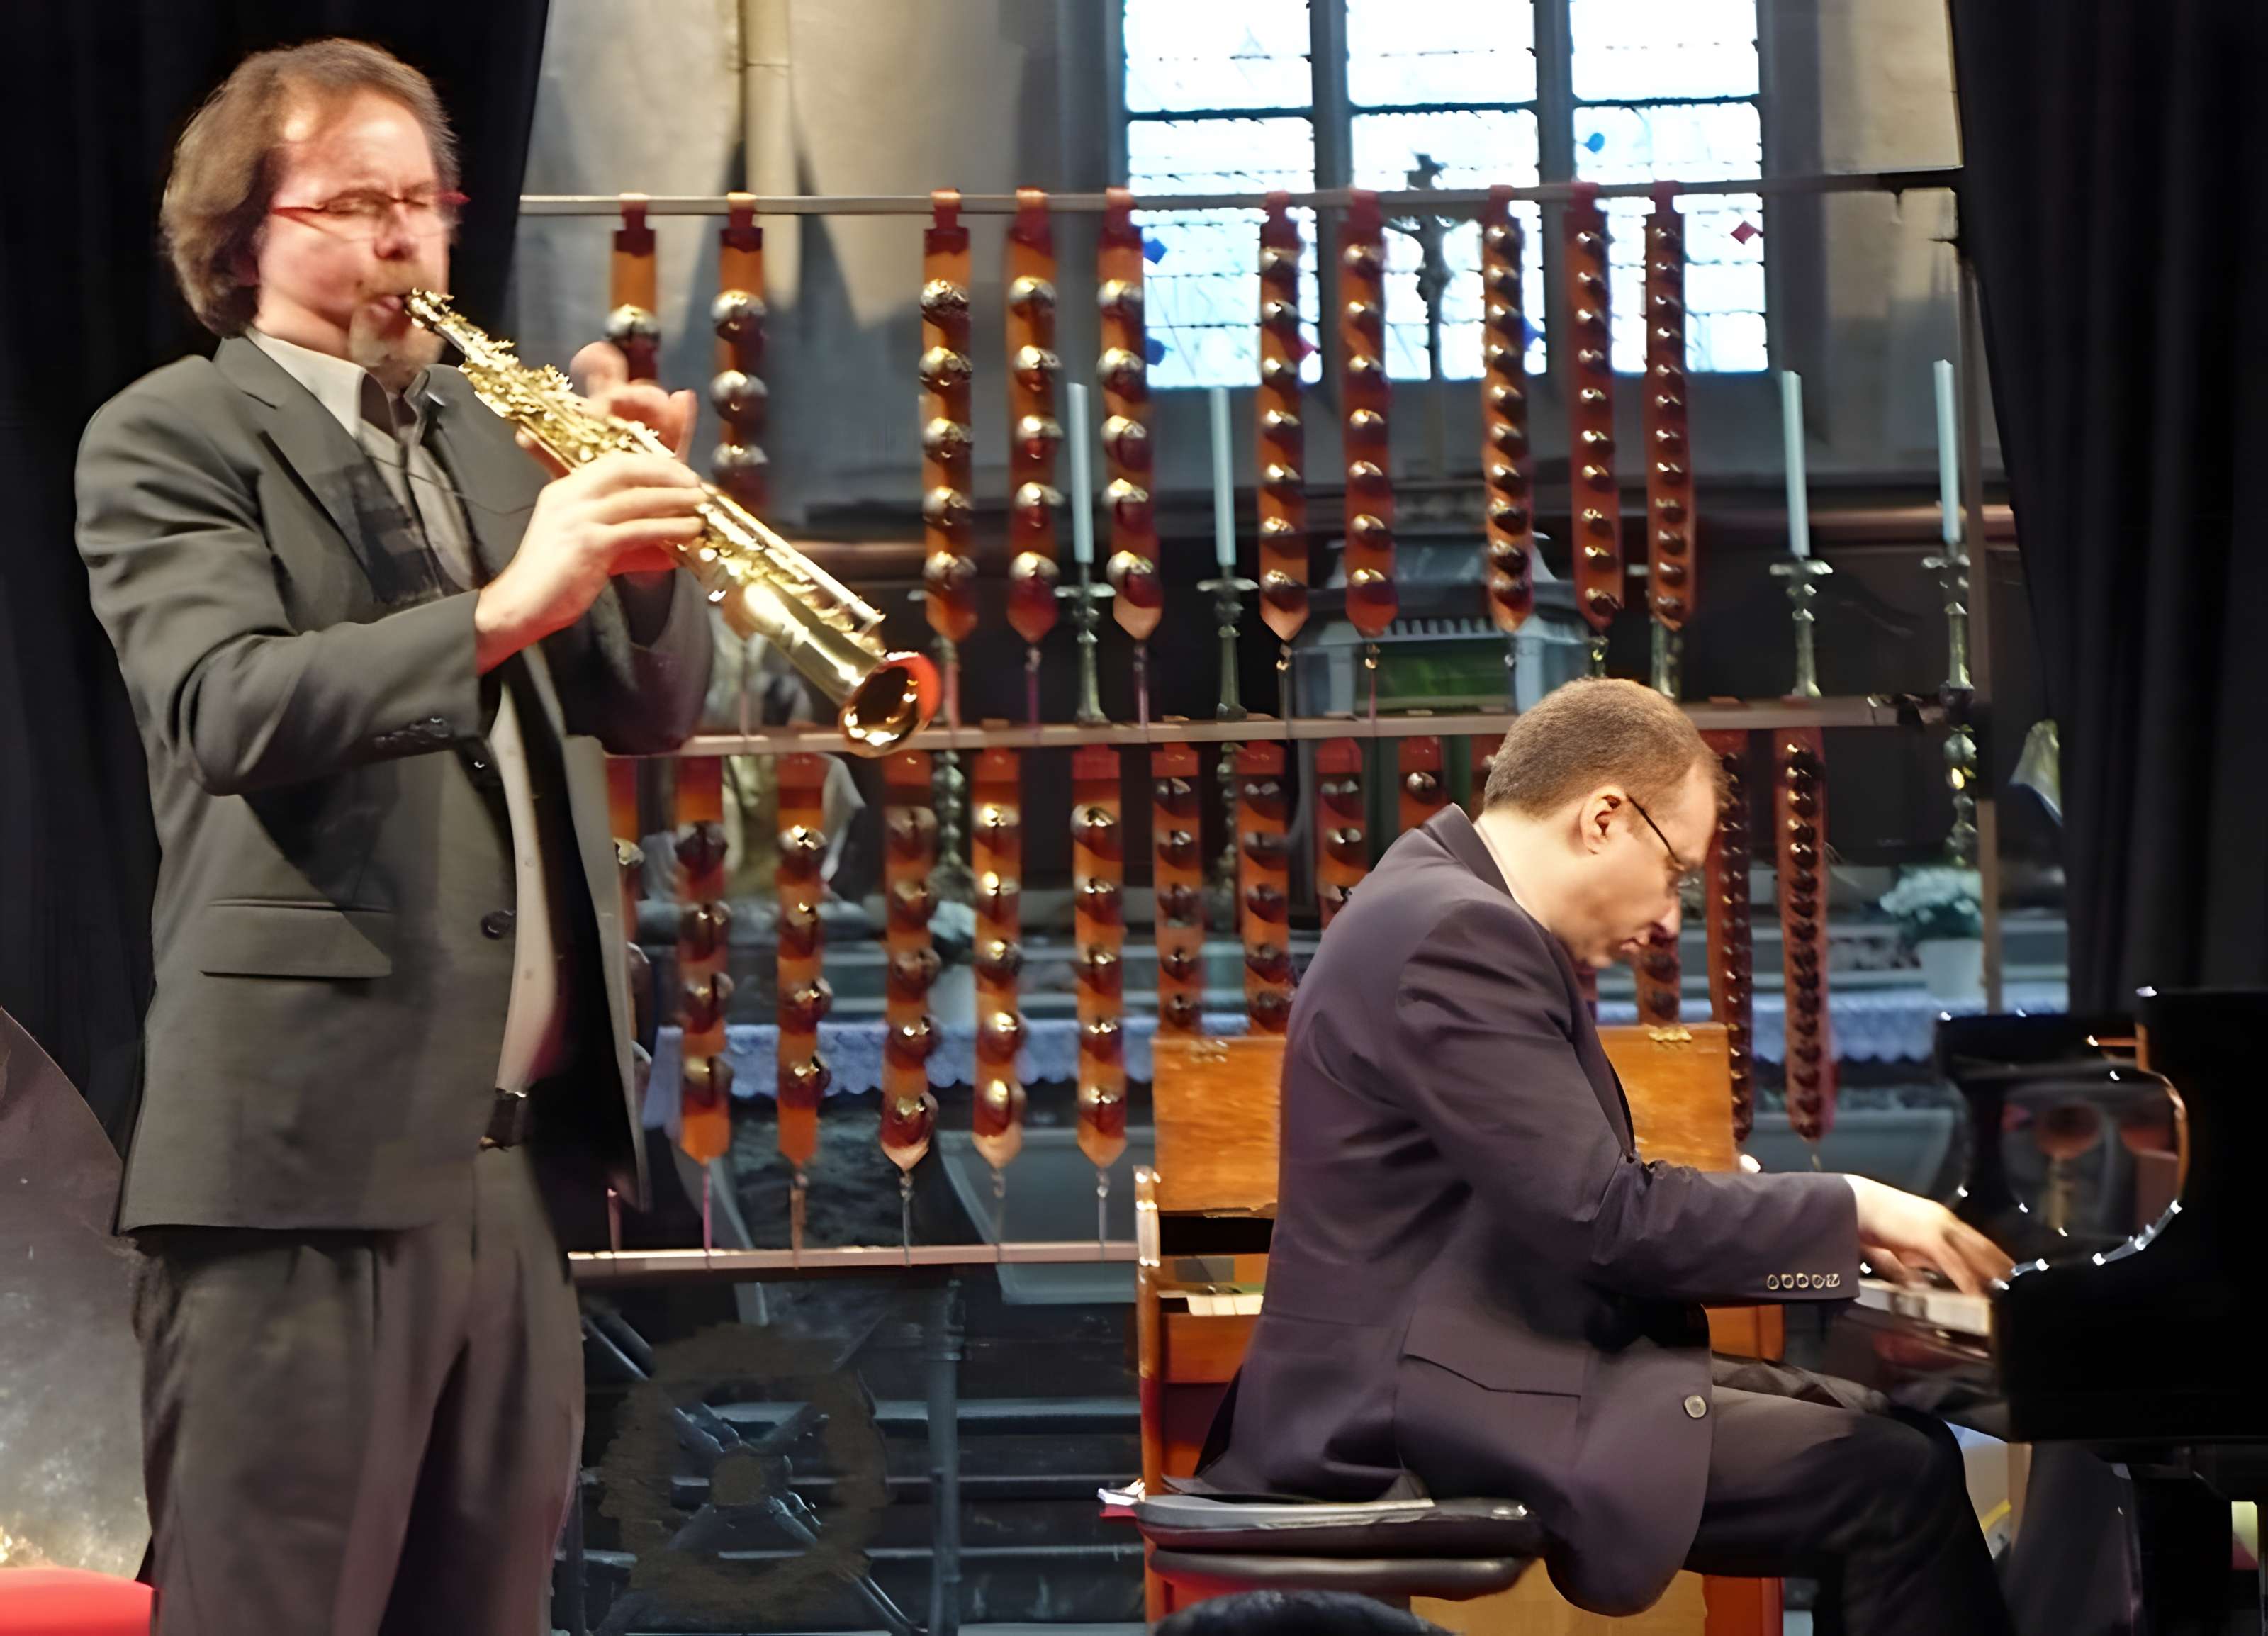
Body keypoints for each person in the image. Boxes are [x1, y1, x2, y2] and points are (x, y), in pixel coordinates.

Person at [74, 39, 713, 1635]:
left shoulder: (484, 440)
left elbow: (647, 713)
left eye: (426, 200)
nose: (406, 236)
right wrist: (507, 604)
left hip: (507, 1166)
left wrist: (640, 557)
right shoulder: (172, 435)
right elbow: (229, 705)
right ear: (243, 236)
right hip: (304, 1168)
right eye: (358, 203)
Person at [1193, 679, 2014, 1636]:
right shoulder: (1458, 932)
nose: (1670, 920)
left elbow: (1563, 1194)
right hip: (1404, 1407)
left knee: (1903, 1438)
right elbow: (1603, 1217)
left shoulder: (1436, 899)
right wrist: (1857, 1206)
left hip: (1450, 1366)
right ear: (1605, 818)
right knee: (1893, 1481)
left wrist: (1771, 1213)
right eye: (1677, 873)